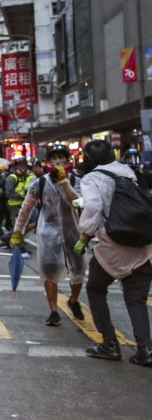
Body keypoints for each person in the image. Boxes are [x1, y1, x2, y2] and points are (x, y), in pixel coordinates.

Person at [72, 140, 152, 366]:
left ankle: (109, 344)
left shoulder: (91, 179)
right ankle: (145, 350)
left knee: (96, 290)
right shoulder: (129, 173)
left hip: (111, 245)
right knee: (136, 300)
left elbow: (95, 207)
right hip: (141, 245)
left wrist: (84, 236)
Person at [10, 143, 85, 327]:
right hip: (48, 234)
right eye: (54, 158)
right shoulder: (40, 183)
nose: (58, 161)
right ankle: (53, 310)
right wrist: (17, 231)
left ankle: (74, 300)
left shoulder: (77, 181)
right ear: (48, 161)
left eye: (61, 157)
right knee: (49, 272)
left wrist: (65, 185)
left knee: (79, 271)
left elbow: (81, 204)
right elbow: (26, 208)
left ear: (68, 160)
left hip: (73, 232)